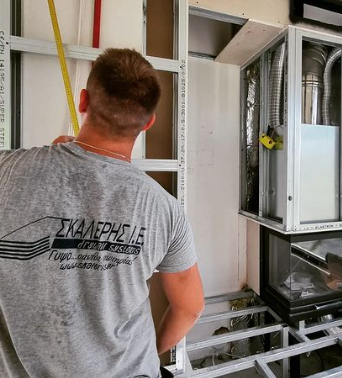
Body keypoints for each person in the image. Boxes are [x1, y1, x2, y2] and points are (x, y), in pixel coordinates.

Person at [0, 48, 204, 378]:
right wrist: (146, 356)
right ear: (148, 123)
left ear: (83, 101)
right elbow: (190, 308)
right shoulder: (165, 209)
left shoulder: (6, 170)